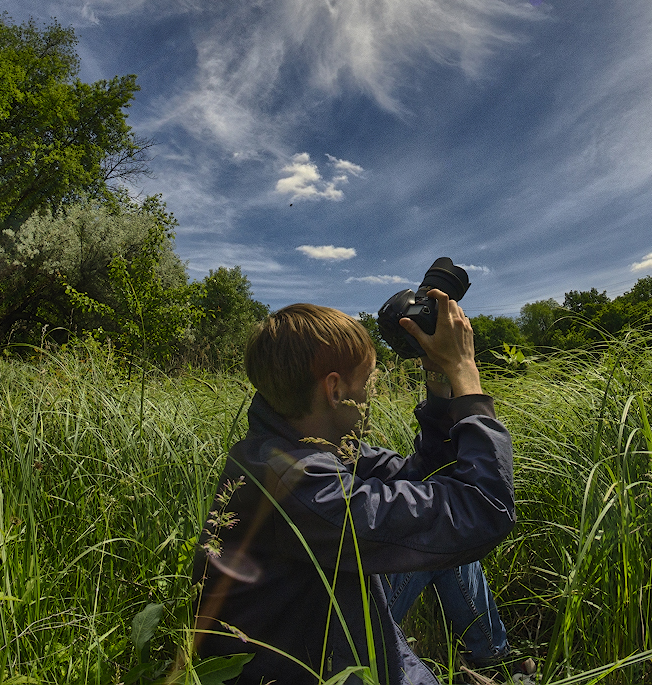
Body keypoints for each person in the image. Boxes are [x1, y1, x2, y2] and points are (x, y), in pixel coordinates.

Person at [190, 290, 515, 685]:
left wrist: (440, 376)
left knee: (442, 540)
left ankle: (496, 663)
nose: (371, 393)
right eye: (369, 381)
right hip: (312, 666)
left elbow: (426, 481)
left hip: (322, 620)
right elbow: (482, 510)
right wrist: (466, 371)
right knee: (445, 534)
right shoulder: (301, 484)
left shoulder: (302, 445)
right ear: (335, 390)